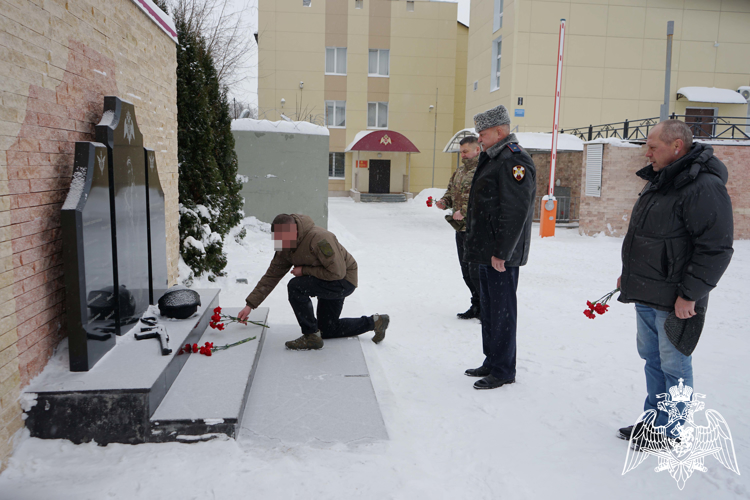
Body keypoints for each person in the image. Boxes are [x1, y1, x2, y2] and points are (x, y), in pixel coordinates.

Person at [615, 119, 733, 442]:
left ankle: (673, 431)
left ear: (676, 146)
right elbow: (647, 235)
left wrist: (690, 294)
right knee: (652, 361)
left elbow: (716, 247)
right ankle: (653, 420)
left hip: (675, 300)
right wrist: (630, 273)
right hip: (646, 292)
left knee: (674, 366)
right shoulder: (661, 179)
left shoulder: (702, 186)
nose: (646, 153)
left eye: (653, 147)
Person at [462, 105, 536, 390]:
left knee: (502, 310)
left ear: (500, 131)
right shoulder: (494, 157)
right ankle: (492, 360)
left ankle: (504, 369)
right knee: (490, 309)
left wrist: (502, 252)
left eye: (482, 133)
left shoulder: (513, 160)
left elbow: (515, 211)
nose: (479, 138)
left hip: (500, 255)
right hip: (487, 250)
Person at [237, 213, 389, 350]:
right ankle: (376, 322)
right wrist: (250, 305)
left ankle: (310, 336)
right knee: (328, 330)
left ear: (294, 231)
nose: (282, 245)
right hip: (324, 279)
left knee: (295, 286)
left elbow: (337, 272)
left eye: (285, 239)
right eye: (279, 240)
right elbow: (272, 275)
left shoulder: (320, 239)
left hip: (343, 281)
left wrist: (304, 271)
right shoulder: (284, 243)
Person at [435, 136, 482, 320]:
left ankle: (484, 307)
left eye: (465, 151)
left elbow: (482, 198)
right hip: (460, 229)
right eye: (461, 151)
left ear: (477, 150)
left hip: (476, 229)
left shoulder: (482, 171)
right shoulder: (460, 171)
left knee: (476, 271)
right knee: (466, 271)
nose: (462, 155)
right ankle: (476, 304)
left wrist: (463, 211)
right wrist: (444, 202)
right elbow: (450, 191)